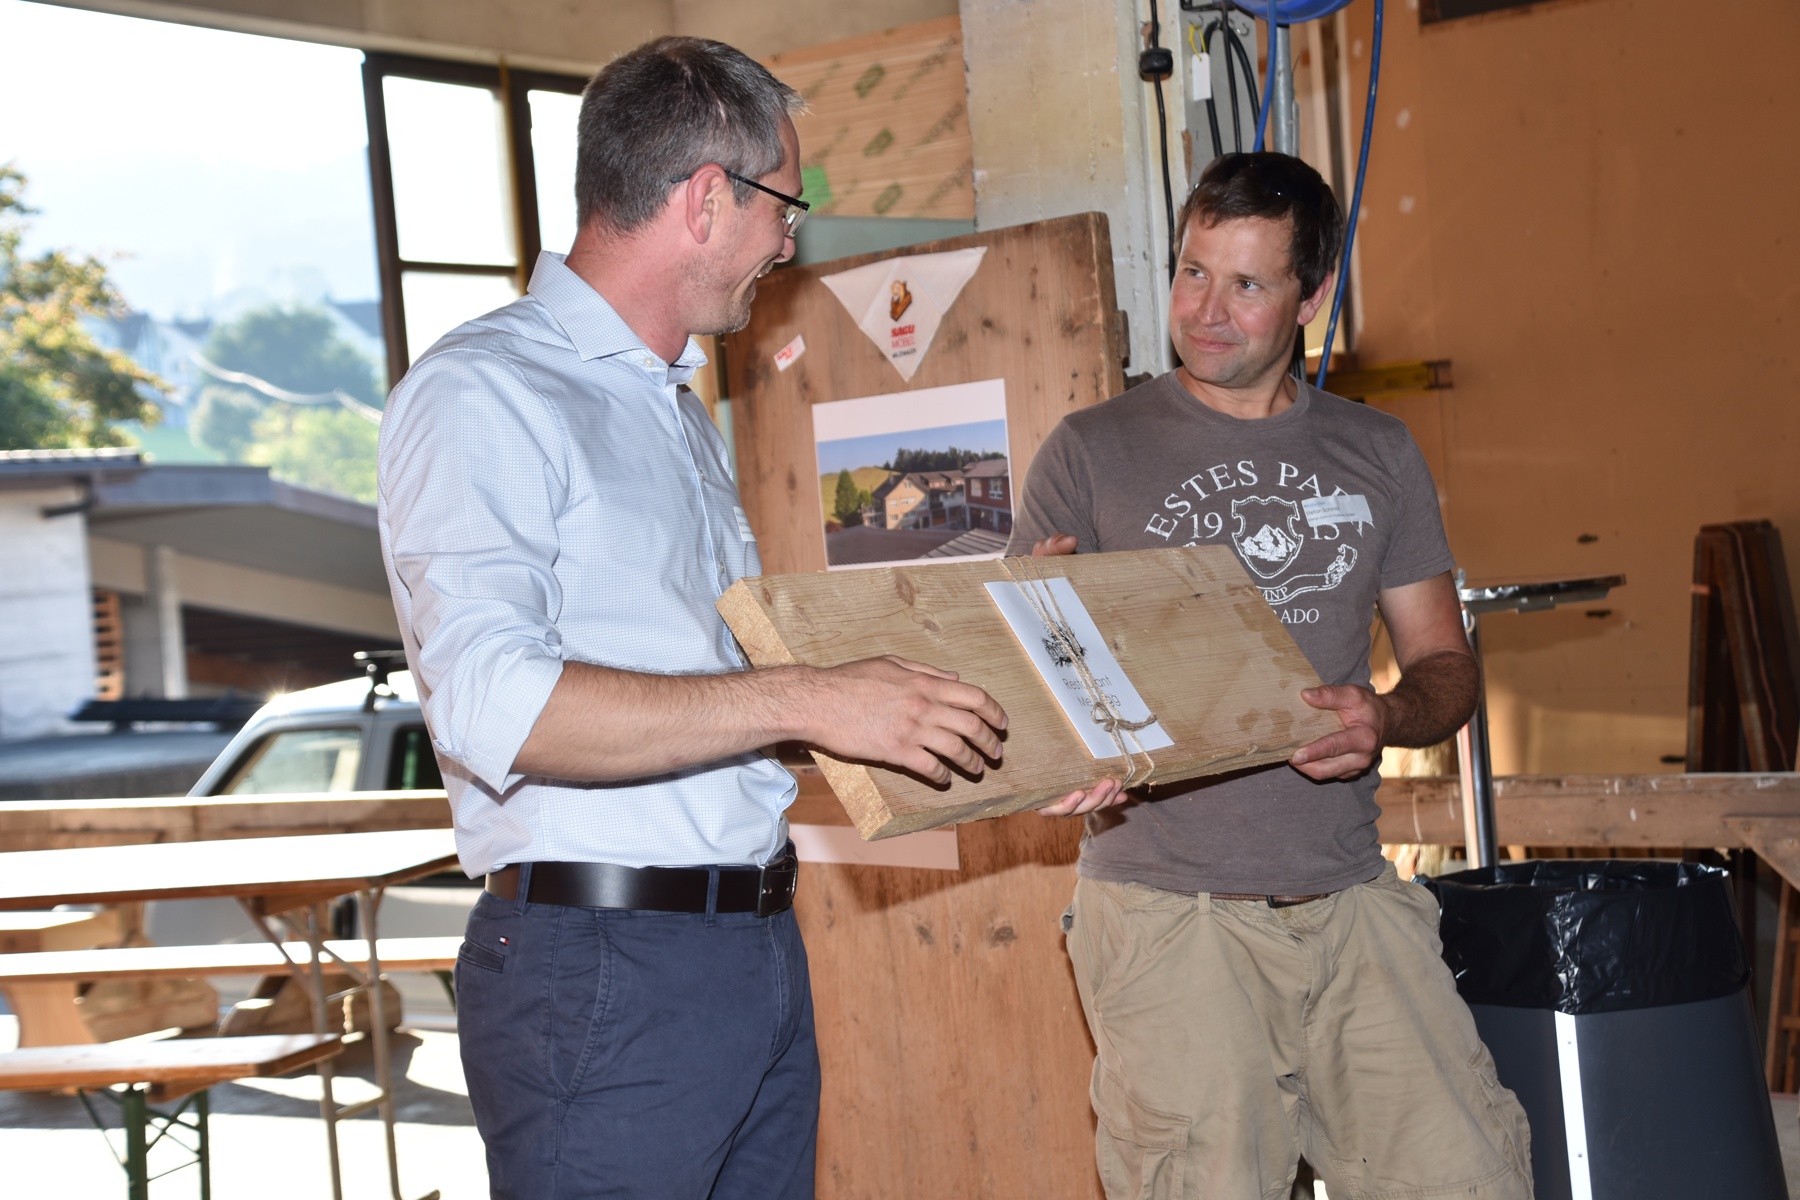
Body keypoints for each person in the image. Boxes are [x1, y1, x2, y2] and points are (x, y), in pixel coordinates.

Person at [377, 37, 1124, 1200]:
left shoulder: (672, 409)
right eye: (785, 202)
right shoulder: (486, 391)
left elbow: (729, 712)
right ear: (706, 199)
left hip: (749, 950)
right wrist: (810, 695)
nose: (790, 239)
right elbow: (492, 705)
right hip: (605, 970)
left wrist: (1009, 721)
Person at [1008, 152, 1534, 1199]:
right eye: (1194, 272)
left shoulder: (1377, 451)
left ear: (1313, 295)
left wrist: (1383, 716)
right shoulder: (1089, 453)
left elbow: (1446, 668)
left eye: (1247, 283)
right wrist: (1043, 666)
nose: (1206, 311)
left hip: (1352, 900)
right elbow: (1029, 685)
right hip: (1170, 918)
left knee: (1470, 1175)